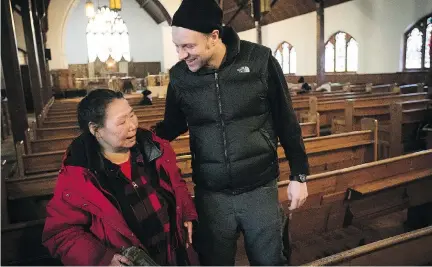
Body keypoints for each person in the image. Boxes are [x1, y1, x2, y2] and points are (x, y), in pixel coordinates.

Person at [152, 0, 309, 265]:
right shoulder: (180, 77)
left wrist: (299, 174)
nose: (181, 55)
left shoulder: (259, 60)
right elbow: (172, 125)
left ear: (214, 37)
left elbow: (286, 120)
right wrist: (135, 139)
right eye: (177, 47)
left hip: (259, 189)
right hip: (211, 195)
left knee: (270, 261)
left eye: (188, 46)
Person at [42, 89, 199, 266]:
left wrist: (185, 211)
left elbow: (176, 182)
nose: (132, 125)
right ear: (96, 129)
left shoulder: (153, 148)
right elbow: (61, 233)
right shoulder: (79, 175)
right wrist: (102, 258)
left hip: (173, 255)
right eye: (121, 122)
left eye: (132, 115)